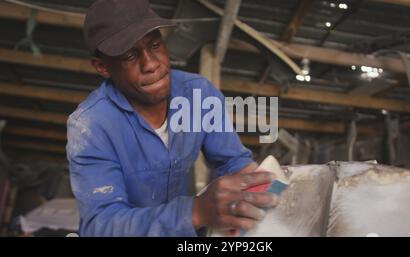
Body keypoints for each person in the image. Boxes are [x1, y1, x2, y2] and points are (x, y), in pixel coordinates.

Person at [66, 0, 279, 237]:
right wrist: (195, 212)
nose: (151, 64)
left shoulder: (198, 93)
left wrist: (260, 187)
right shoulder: (91, 125)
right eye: (129, 55)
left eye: (155, 45)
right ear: (102, 67)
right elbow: (101, 225)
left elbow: (233, 162)